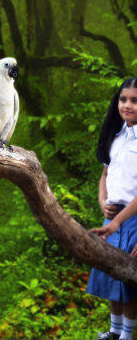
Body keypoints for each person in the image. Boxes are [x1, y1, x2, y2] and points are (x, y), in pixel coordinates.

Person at [87, 77, 137, 340]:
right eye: (123, 99)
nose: (127, 105)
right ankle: (114, 331)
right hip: (112, 218)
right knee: (111, 278)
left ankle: (127, 335)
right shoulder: (117, 137)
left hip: (133, 221)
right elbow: (105, 175)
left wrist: (119, 221)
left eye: (134, 100)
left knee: (128, 282)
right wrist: (103, 202)